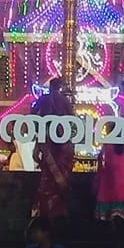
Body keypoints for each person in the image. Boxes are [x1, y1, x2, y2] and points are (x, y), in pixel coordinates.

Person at [31, 76, 76, 222]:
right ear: (60, 87)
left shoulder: (44, 99)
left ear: (50, 87)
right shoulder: (64, 100)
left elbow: (33, 112)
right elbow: (72, 117)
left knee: (47, 176)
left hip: (48, 140)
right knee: (59, 178)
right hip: (61, 140)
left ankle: (46, 214)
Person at [94, 141, 124, 224]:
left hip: (108, 183)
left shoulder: (106, 146)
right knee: (122, 223)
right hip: (123, 184)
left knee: (107, 223)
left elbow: (100, 160)